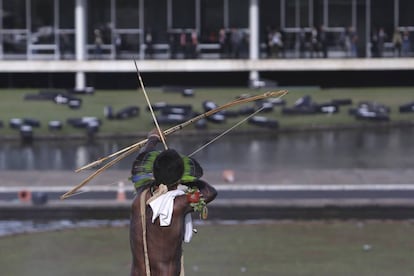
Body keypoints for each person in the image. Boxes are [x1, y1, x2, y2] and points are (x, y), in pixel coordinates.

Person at [129, 130, 217, 276]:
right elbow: (210, 192)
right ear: (179, 178)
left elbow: (139, 165)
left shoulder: (141, 194)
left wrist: (153, 139)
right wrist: (187, 179)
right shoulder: (179, 204)